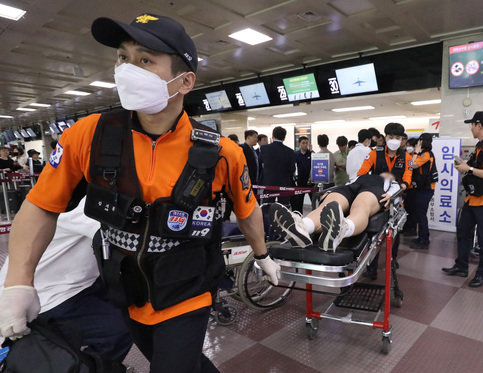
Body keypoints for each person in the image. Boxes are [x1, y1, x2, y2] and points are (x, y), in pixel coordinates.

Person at [0, 13, 280, 373]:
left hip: (186, 290)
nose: (127, 69)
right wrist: (18, 283)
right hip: (123, 289)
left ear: (184, 81)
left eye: (145, 60)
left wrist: (261, 255)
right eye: (123, 57)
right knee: (176, 360)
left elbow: (246, 209)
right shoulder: (89, 135)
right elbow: (41, 205)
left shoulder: (222, 153)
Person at [0, 198, 132, 364]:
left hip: (75, 282)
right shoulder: (86, 203)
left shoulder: (83, 193)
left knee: (129, 299)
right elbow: (127, 242)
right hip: (45, 296)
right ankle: (88, 367)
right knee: (121, 328)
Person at [442, 111, 483, 288]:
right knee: (463, 232)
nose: (471, 128)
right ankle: (461, 266)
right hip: (473, 199)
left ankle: (482, 274)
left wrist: (468, 169)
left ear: (479, 125)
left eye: (472, 124)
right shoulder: (480, 147)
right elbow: (475, 168)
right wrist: (465, 166)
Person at [270, 173, 400, 251]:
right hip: (350, 188)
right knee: (327, 205)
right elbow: (348, 184)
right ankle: (301, 227)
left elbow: (396, 191)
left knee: (361, 207)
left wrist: (389, 196)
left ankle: (342, 229)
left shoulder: (392, 182)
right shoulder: (359, 176)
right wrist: (331, 191)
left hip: (374, 190)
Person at [357, 122, 412, 278]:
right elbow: (362, 171)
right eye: (390, 137)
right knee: (374, 233)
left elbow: (407, 177)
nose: (394, 140)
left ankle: (393, 259)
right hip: (378, 199)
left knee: (395, 231)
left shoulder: (406, 156)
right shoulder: (375, 153)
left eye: (397, 137)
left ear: (402, 139)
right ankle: (372, 267)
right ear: (385, 137)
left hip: (397, 199)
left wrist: (400, 187)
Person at [407, 133, 437, 249]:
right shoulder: (423, 154)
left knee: (421, 214)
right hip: (422, 188)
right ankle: (422, 237)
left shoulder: (426, 155)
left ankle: (424, 240)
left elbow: (412, 165)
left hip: (426, 189)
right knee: (420, 213)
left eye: (420, 141)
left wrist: (415, 152)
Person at [259, 126, 296, 205]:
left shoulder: (264, 149)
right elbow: (292, 169)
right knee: (283, 207)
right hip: (284, 184)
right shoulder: (290, 151)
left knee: (267, 206)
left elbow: (259, 165)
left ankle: (267, 217)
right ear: (284, 138)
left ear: (272, 136)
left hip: (268, 183)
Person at [292, 136, 312, 214]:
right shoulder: (295, 154)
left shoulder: (311, 154)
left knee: (314, 202)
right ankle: (299, 219)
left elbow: (313, 167)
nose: (305, 145)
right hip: (300, 182)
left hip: (310, 182)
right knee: (299, 203)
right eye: (303, 143)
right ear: (299, 144)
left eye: (306, 143)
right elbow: (293, 167)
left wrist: (311, 177)